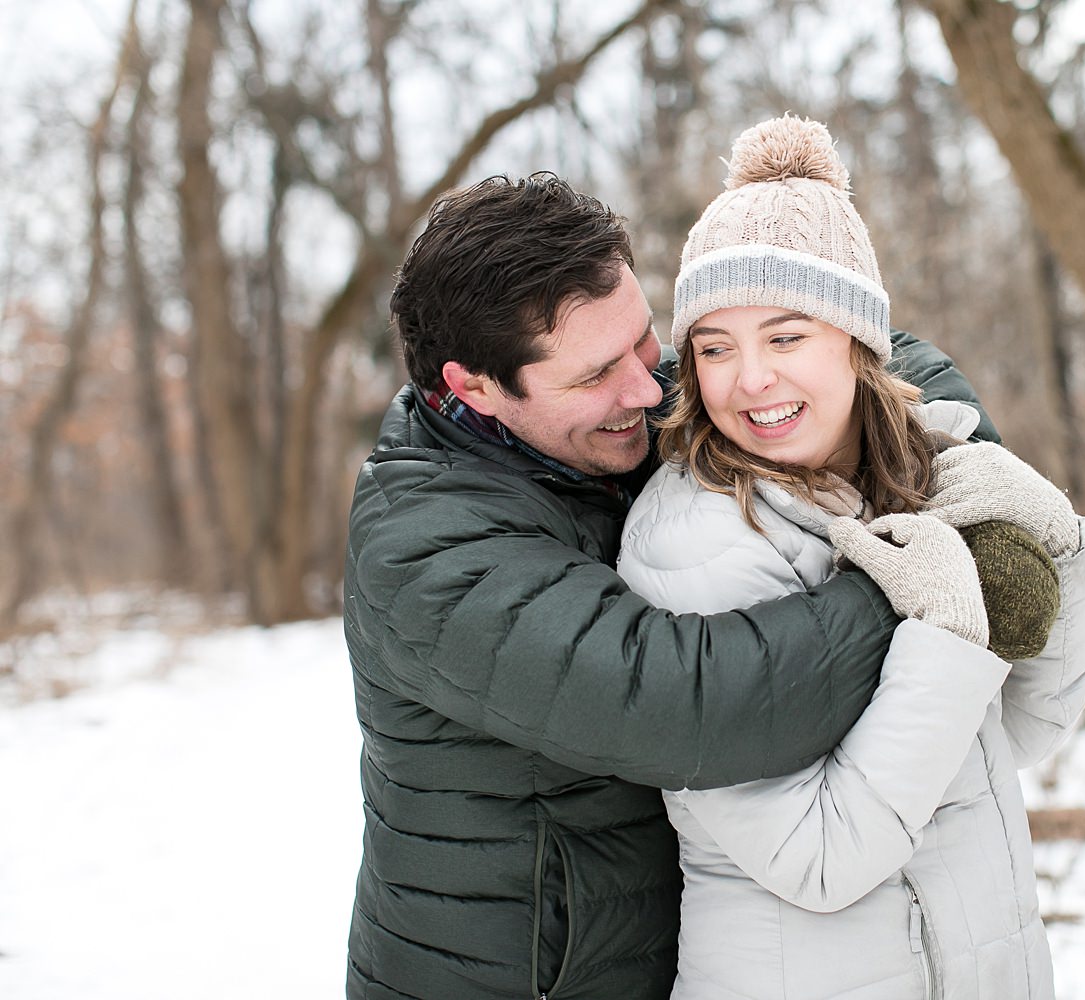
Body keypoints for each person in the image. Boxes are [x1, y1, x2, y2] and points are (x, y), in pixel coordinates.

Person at [342, 170, 1021, 998]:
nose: (647, 386)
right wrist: (915, 574)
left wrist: (930, 447)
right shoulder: (425, 552)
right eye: (595, 374)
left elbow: (864, 350)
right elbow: (685, 702)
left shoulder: (607, 418)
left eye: (645, 339)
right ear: (474, 388)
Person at [615, 115, 1085, 999]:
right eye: (714, 348)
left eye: (786, 336)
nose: (747, 379)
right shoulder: (696, 547)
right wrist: (945, 636)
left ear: (857, 338)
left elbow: (1024, 731)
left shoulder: (921, 478)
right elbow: (821, 858)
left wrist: (1058, 553)